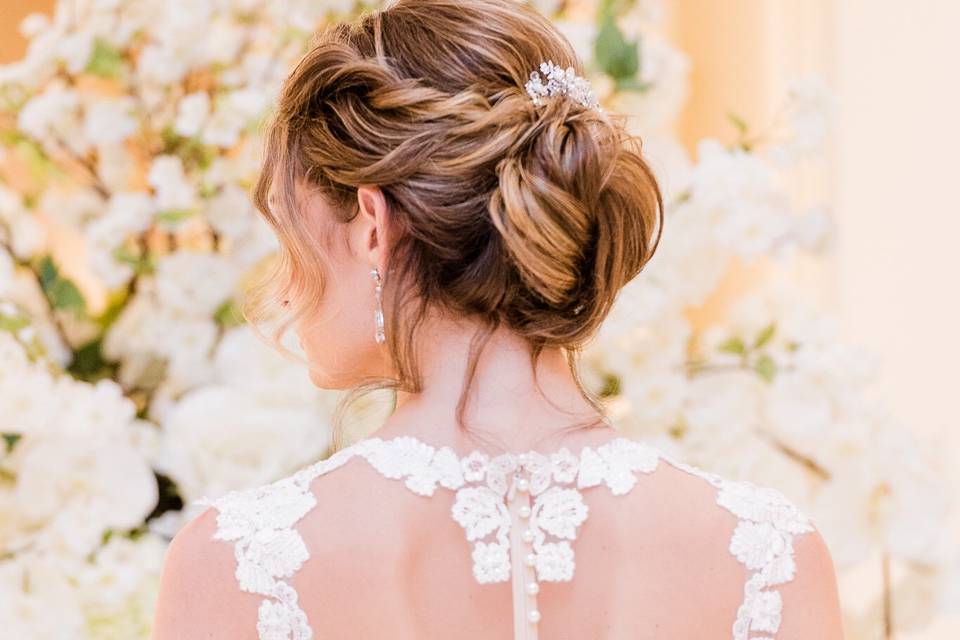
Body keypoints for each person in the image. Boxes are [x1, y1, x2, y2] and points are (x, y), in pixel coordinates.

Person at [151, 1, 845, 638]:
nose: (280, 285)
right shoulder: (770, 556)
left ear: (371, 224)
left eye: (287, 230)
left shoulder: (238, 565)